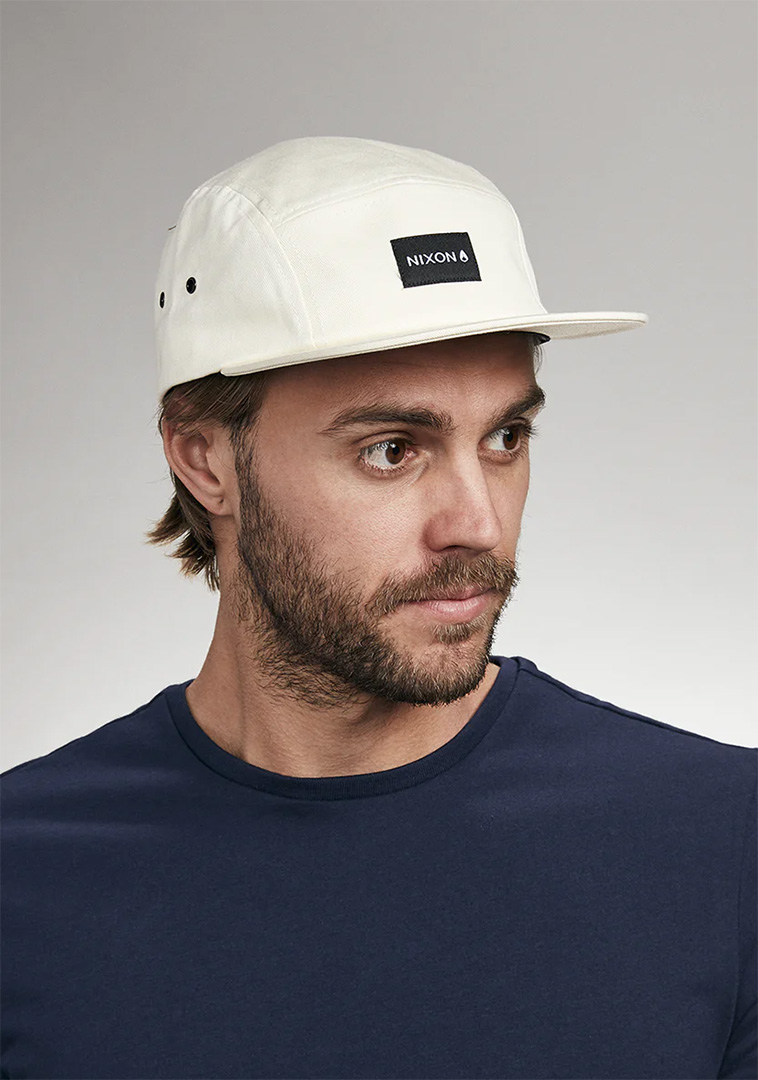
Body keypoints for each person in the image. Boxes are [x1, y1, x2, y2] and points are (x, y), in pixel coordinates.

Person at [1, 137, 755, 1080]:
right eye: (392, 449)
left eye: (506, 436)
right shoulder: (22, 876)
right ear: (205, 460)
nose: (478, 523)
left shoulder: (725, 843)